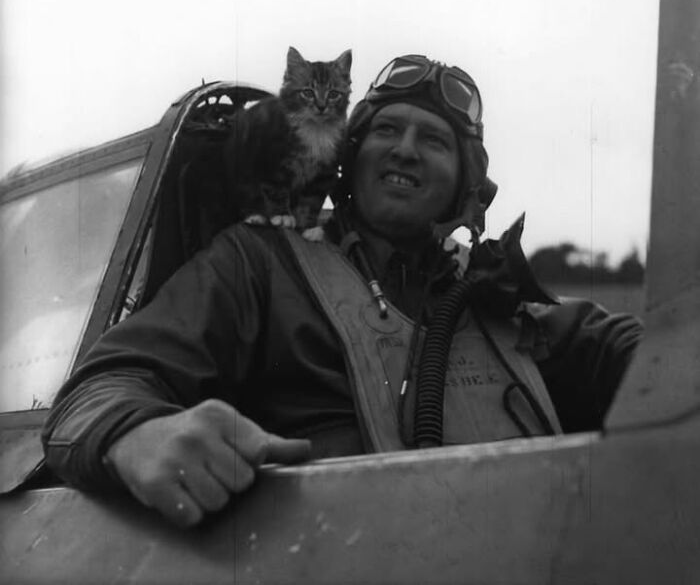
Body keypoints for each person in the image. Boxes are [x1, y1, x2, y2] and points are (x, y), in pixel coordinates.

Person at [42, 54, 642, 528]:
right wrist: (137, 432)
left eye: (434, 141)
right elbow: (100, 388)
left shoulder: (495, 295)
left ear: (467, 182)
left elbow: (642, 349)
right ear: (350, 158)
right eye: (387, 130)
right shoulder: (261, 262)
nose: (405, 148)